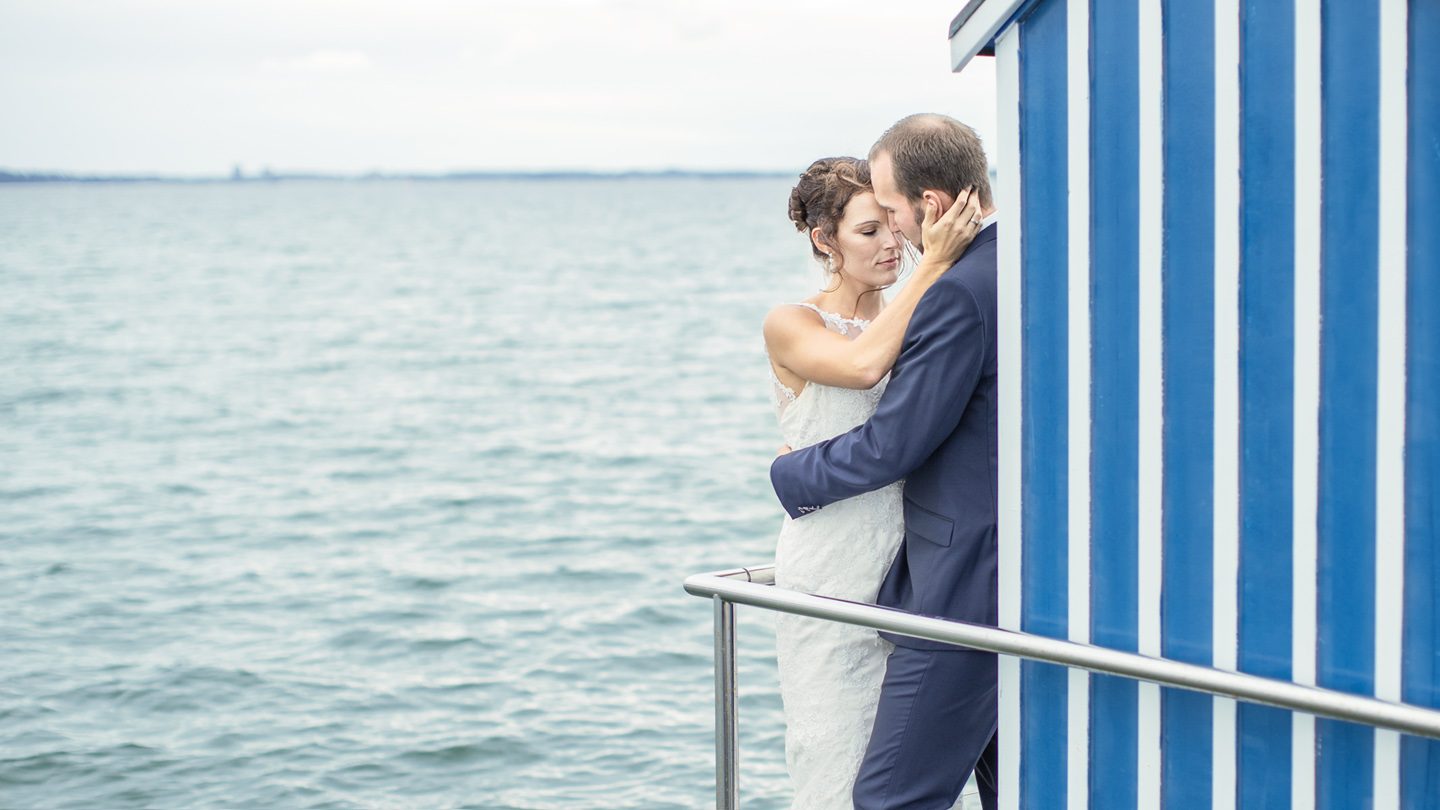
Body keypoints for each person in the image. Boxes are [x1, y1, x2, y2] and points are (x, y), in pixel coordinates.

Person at [770, 115, 1001, 810]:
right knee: (838, 747)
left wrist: (787, 473)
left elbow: (891, 421)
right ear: (826, 241)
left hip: (921, 566)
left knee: (896, 782)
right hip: (843, 555)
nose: (891, 239)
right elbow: (869, 372)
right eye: (868, 230)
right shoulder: (793, 320)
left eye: (889, 219)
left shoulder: (933, 295)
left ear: (926, 206)